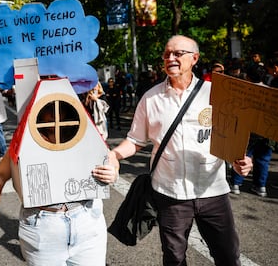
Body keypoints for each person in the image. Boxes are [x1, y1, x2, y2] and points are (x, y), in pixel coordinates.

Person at [107, 35, 253, 266]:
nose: (170, 58)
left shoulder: (216, 93)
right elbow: (135, 140)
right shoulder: (150, 98)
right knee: (174, 258)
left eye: (177, 53)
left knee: (228, 256)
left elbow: (232, 137)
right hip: (169, 194)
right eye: (166, 54)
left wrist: (241, 160)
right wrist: (114, 154)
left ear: (194, 58)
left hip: (212, 191)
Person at [0, 100, 118, 265]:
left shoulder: (83, 132)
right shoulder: (25, 140)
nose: (54, 113)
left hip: (87, 218)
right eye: (48, 106)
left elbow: (111, 158)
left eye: (57, 106)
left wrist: (113, 171)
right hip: (43, 226)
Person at [230, 64, 273, 197]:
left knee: (241, 157)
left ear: (247, 77)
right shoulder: (271, 93)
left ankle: (236, 184)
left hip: (246, 132)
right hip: (266, 134)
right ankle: (261, 186)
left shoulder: (244, 92)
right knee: (263, 161)